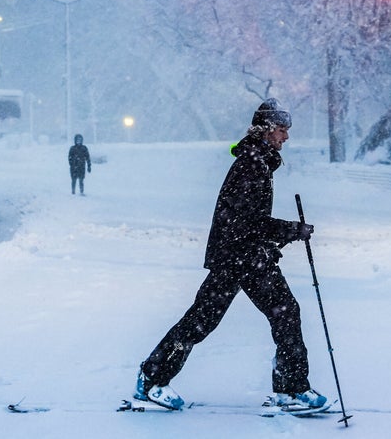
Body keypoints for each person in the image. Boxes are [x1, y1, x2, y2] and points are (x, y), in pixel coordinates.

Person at [132, 98, 327, 412]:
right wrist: (291, 230)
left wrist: (274, 238)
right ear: (266, 130)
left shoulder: (258, 161)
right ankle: (152, 379)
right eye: (282, 129)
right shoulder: (251, 165)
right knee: (213, 319)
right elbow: (247, 221)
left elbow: (246, 221)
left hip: (244, 256)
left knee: (275, 313)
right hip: (238, 258)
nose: (286, 136)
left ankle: (290, 389)